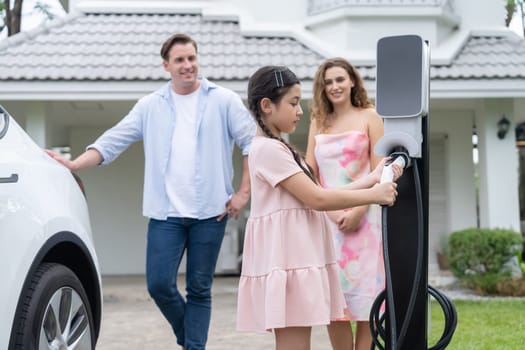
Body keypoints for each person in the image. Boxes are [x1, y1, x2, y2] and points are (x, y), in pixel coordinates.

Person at [45, 33, 256, 350]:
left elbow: (252, 143)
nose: (188, 65)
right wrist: (75, 164)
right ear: (166, 65)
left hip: (212, 212)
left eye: (192, 58)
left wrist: (243, 192)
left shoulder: (223, 100)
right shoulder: (150, 106)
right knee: (159, 285)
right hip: (165, 214)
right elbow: (113, 141)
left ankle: (193, 346)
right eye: (180, 60)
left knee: (199, 288)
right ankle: (190, 338)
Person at [236, 65, 399, 350]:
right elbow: (317, 199)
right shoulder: (269, 150)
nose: (300, 111)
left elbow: (319, 192)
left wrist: (371, 180)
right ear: (267, 106)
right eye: (294, 103)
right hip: (288, 262)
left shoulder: (279, 148)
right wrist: (374, 194)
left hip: (295, 261)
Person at [305, 57, 386, 350]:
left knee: (367, 304)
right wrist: (333, 211)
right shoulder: (318, 121)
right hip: (328, 221)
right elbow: (309, 172)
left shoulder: (371, 117)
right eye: (328, 82)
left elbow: (381, 172)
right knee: (334, 306)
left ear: (352, 81)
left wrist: (358, 210)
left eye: (340, 79)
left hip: (366, 223)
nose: (334, 86)